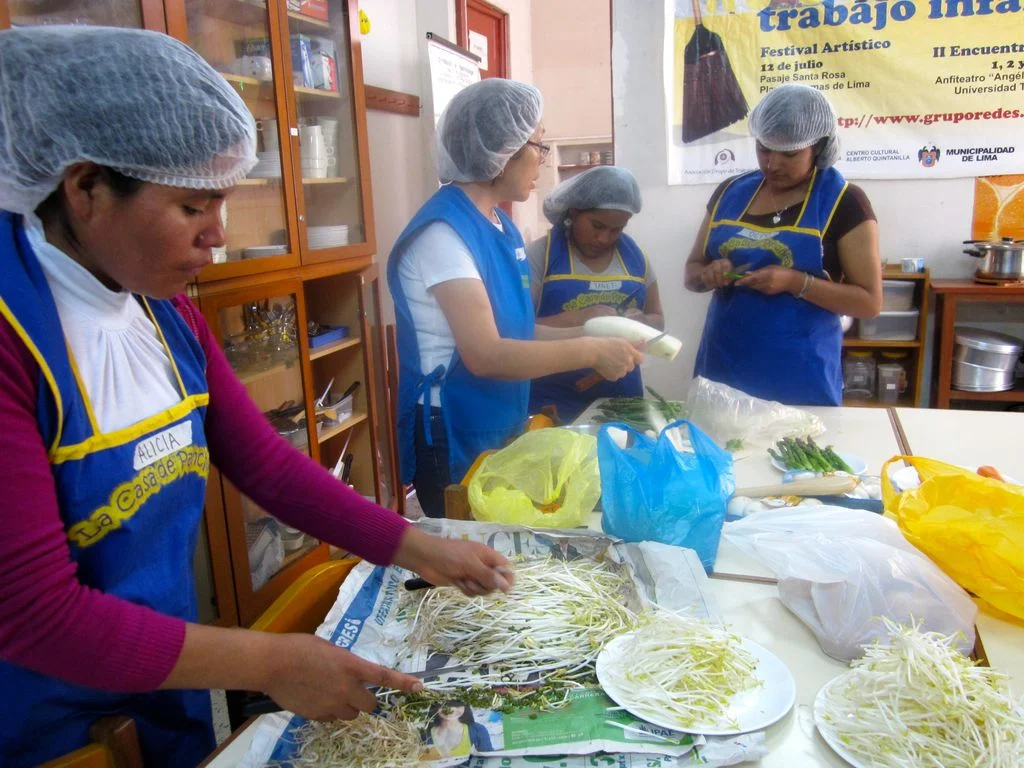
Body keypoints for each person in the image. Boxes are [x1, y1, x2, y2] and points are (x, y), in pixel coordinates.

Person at [0, 27, 514, 768]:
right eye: (191, 206)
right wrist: (270, 663)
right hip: (49, 729)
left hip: (164, 679)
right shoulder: (17, 335)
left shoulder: (159, 305)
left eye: (224, 203)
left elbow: (265, 466)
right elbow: (34, 616)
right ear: (84, 189)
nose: (218, 235)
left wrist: (413, 544)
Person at [388, 79, 644, 517]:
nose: (543, 161)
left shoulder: (500, 227)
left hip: (494, 414)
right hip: (452, 423)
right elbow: (486, 354)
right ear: (501, 151)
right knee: (464, 551)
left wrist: (595, 331)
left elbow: (517, 332)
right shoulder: (444, 234)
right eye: (538, 146)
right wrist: (589, 351)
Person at [684, 83, 881, 405]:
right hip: (724, 369)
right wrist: (708, 275)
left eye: (789, 154)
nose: (772, 164)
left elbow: (869, 303)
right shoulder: (729, 193)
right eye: (764, 148)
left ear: (818, 147)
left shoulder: (844, 202)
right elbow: (691, 273)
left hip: (800, 377)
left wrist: (796, 282)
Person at [527, 166, 662, 422]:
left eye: (616, 230)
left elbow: (658, 320)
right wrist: (584, 319)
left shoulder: (636, 259)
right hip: (552, 403)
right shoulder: (541, 257)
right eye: (596, 225)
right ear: (575, 212)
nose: (603, 238)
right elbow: (519, 330)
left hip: (621, 402)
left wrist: (641, 322)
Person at [422, 701, 494, 757]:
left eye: (457, 704)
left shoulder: (477, 730)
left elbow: (489, 760)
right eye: (444, 704)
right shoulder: (423, 734)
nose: (450, 709)